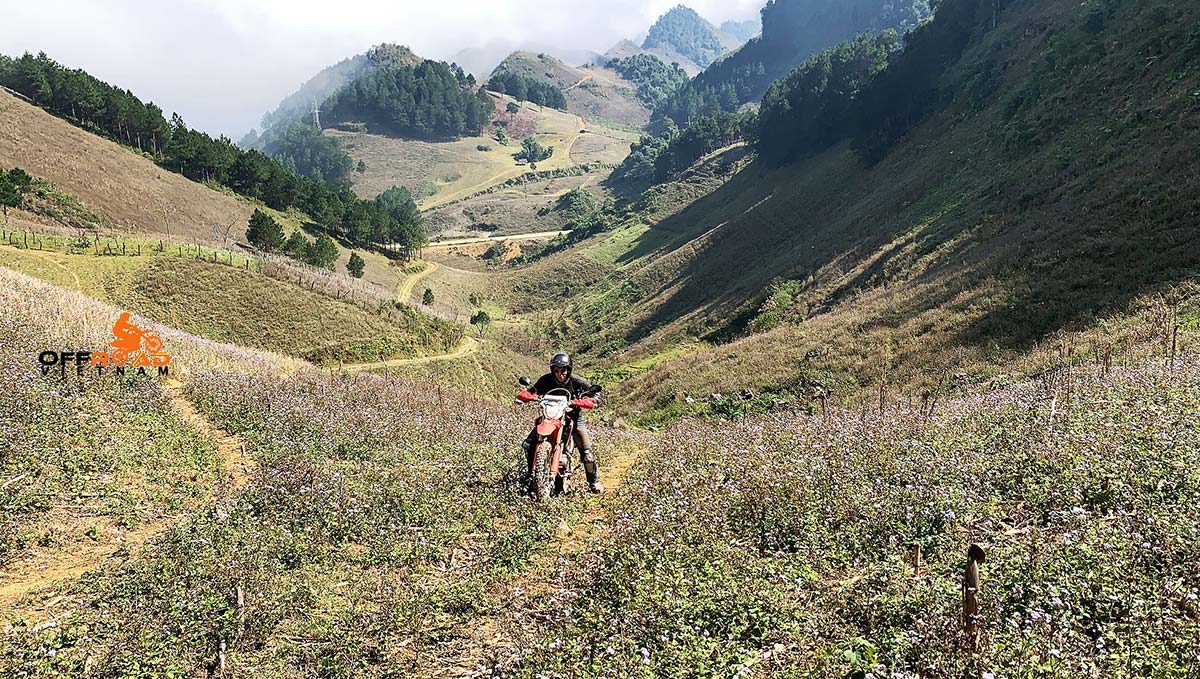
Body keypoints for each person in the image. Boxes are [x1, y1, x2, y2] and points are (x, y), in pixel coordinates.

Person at [520, 352, 604, 493]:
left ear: (569, 370)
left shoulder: (578, 382)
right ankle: (531, 477)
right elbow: (532, 391)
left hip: (573, 418)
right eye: (557, 371)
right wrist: (526, 396)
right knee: (528, 444)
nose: (560, 374)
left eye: (563, 370)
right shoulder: (545, 380)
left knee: (587, 454)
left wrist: (590, 400)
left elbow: (596, 394)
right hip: (549, 417)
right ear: (552, 370)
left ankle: (594, 481)